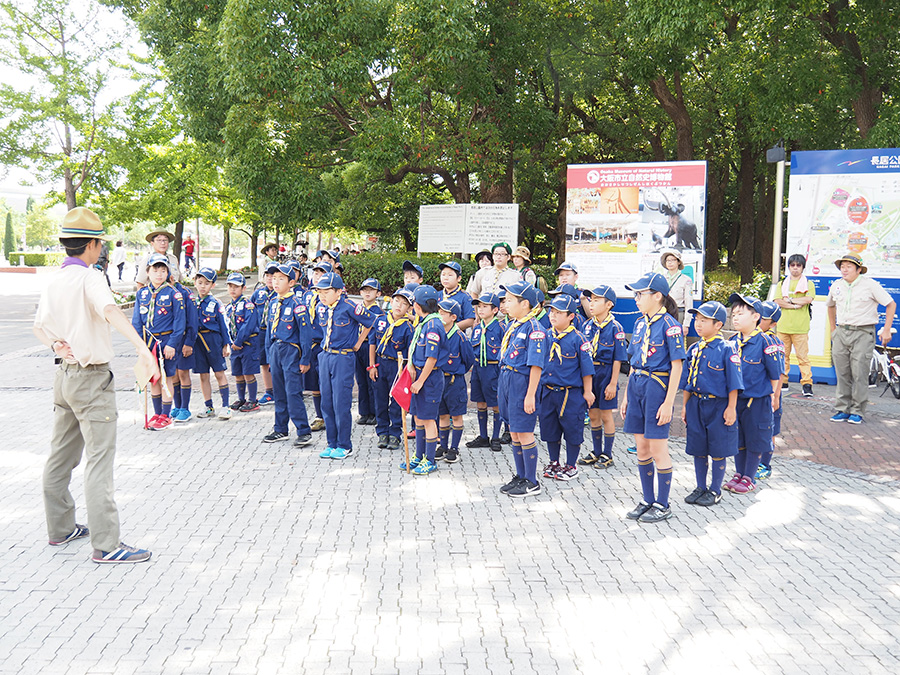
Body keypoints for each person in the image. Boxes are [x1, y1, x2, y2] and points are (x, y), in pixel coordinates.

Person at [33, 207, 157, 564]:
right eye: (98, 243)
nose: (99, 249)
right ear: (91, 245)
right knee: (99, 461)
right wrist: (140, 346)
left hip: (65, 377)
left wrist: (55, 344)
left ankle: (60, 528)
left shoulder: (54, 280)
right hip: (91, 379)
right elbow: (111, 311)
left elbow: (40, 327)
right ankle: (106, 544)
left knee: (60, 455)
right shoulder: (90, 278)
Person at [620, 272, 686, 523]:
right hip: (637, 385)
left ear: (657, 296)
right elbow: (633, 362)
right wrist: (626, 396)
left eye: (640, 294)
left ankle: (663, 503)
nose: (636, 298)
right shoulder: (639, 324)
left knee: (658, 447)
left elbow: (677, 366)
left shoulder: (670, 326)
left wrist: (669, 402)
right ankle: (647, 499)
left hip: (657, 386)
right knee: (642, 447)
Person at [680, 301, 742, 507]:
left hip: (718, 406)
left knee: (718, 449)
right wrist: (684, 406)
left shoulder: (727, 349)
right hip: (696, 405)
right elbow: (688, 382)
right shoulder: (695, 348)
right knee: (698, 448)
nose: (698, 324)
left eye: (703, 320)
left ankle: (715, 489)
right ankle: (700, 486)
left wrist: (731, 408)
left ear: (718, 325)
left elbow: (734, 382)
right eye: (697, 320)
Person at [722, 294, 782, 495]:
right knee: (737, 438)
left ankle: (749, 476)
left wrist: (774, 397)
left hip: (757, 401)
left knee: (755, 438)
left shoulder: (766, 342)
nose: (735, 318)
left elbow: (775, 374)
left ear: (756, 316)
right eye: (733, 314)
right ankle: (739, 473)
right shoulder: (731, 342)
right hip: (736, 400)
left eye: (740, 313)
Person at [826, 253, 896, 424]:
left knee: (859, 373)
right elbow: (830, 306)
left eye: (849, 266)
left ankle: (857, 410)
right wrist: (833, 329)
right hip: (842, 332)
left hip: (863, 333)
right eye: (842, 266)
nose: (844, 269)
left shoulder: (870, 285)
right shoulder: (837, 285)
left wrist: (886, 329)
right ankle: (842, 408)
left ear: (858, 269)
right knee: (842, 372)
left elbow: (890, 304)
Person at [315, 272, 376, 460]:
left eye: (326, 291)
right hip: (325, 356)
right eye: (319, 291)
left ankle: (344, 445)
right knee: (326, 402)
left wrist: (358, 343)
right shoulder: (321, 308)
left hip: (343, 358)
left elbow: (371, 321)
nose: (322, 295)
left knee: (340, 403)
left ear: (339, 291)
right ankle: (331, 443)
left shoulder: (350, 306)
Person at [497, 280, 548, 497]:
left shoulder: (535, 330)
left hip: (522, 383)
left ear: (525, 303)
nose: (505, 304)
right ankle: (520, 475)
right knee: (515, 432)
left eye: (509, 300)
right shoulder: (514, 325)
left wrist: (530, 395)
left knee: (525, 433)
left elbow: (536, 365)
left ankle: (532, 481)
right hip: (508, 379)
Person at [539, 295, 594, 482]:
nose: (553, 315)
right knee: (550, 429)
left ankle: (571, 465)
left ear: (571, 316)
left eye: (558, 312)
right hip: (548, 390)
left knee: (572, 429)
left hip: (570, 393)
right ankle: (554, 462)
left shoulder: (579, 339)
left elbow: (587, 369)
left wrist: (588, 391)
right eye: (551, 311)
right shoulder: (546, 335)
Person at [131, 254, 186, 430]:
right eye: (155, 270)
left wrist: (172, 344)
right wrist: (140, 346)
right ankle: (156, 413)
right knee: (153, 378)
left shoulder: (174, 294)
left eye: (163, 270)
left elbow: (180, 322)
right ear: (148, 271)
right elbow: (137, 321)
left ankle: (166, 414)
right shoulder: (142, 293)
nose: (159, 274)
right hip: (148, 342)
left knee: (166, 377)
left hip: (167, 341)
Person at [263, 264, 313, 446]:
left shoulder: (297, 305)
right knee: (279, 392)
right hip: (276, 350)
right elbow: (269, 330)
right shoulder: (274, 302)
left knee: (293, 392)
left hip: (291, 350)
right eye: (273, 278)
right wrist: (269, 356)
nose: (275, 282)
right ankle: (280, 429)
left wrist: (305, 358)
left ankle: (303, 430)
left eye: (281, 279)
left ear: (292, 282)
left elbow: (306, 335)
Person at [578, 285, 627, 468]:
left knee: (606, 415)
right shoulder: (587, 326)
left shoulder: (616, 328)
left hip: (607, 374)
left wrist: (613, 383)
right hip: (591, 375)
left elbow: (618, 359)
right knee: (593, 414)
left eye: (597, 300)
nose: (591, 304)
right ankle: (596, 451)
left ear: (609, 305)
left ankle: (608, 453)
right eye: (591, 300)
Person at [401, 285, 447, 475]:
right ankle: (419, 456)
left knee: (428, 420)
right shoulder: (424, 323)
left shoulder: (433, 325)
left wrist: (420, 381)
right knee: (418, 417)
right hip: (419, 374)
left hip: (429, 378)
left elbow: (432, 358)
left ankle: (430, 459)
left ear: (417, 306)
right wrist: (411, 365)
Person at [369, 288, 414, 450]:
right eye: (397, 301)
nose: (399, 306)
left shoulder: (408, 328)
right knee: (379, 399)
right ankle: (382, 431)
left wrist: (407, 372)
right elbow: (372, 343)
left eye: (404, 304)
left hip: (398, 366)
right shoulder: (380, 320)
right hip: (380, 364)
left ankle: (395, 433)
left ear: (409, 309)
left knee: (396, 401)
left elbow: (410, 352)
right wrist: (372, 365)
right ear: (391, 301)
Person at [436, 298, 475, 464]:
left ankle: (454, 448)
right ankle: (443, 446)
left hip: (454, 382)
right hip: (439, 380)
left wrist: (457, 373)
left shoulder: (460, 337)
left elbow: (468, 360)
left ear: (453, 317)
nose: (440, 315)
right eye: (439, 312)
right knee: (442, 415)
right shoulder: (437, 332)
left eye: (443, 313)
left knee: (456, 416)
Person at [192, 268, 233, 420]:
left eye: (207, 283)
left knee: (219, 373)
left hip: (213, 341)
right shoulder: (192, 303)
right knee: (203, 375)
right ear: (195, 283)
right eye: (200, 282)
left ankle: (225, 406)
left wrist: (226, 343)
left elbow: (224, 325)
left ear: (213, 285)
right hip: (198, 343)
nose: (203, 286)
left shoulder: (216, 303)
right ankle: (208, 405)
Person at [466, 293, 505, 452]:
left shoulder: (501, 328)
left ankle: (495, 436)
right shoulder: (477, 328)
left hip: (493, 369)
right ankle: (483, 436)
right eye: (479, 306)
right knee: (480, 402)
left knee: (495, 403)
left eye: (484, 307)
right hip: (478, 369)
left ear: (495, 310)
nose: (480, 310)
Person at [773, 254, 816, 396]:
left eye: (798, 265)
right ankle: (783, 381)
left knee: (802, 357)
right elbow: (778, 301)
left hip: (800, 327)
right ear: (789, 267)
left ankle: (807, 384)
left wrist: (789, 301)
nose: (795, 268)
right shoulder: (781, 284)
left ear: (803, 267)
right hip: (783, 326)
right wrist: (795, 304)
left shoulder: (808, 283)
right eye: (793, 265)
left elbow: (808, 299)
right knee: (782, 356)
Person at [757, 301, 786, 481]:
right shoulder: (749, 337)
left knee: (770, 430)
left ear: (773, 323)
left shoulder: (774, 342)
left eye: (764, 318)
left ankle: (765, 464)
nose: (759, 319)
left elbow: (780, 372)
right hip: (756, 394)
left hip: (770, 394)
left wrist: (775, 397)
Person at [225, 273, 262, 412]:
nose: (233, 289)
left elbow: (248, 325)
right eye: (230, 286)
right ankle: (241, 398)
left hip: (247, 345)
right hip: (235, 345)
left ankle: (253, 400)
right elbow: (226, 325)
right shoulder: (229, 307)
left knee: (248, 372)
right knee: (238, 373)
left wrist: (239, 341)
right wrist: (230, 342)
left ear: (244, 288)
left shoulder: (248, 305)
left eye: (236, 286)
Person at [304, 261, 331, 431]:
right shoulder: (307, 296)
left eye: (322, 274)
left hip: (325, 346)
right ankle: (319, 416)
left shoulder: (331, 299)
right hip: (310, 345)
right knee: (314, 384)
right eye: (315, 274)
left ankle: (329, 415)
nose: (318, 277)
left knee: (326, 383)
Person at [354, 278, 384, 425]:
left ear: (378, 293)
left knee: (372, 380)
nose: (367, 292)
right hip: (357, 348)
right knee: (360, 381)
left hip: (370, 347)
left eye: (371, 290)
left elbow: (374, 332)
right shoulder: (358, 309)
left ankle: (374, 412)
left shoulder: (378, 312)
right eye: (364, 290)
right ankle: (364, 412)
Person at [171, 271, 199, 422]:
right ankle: (177, 405)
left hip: (183, 340)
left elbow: (192, 320)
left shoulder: (185, 293)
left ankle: (185, 408)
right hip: (170, 342)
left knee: (183, 373)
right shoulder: (161, 291)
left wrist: (189, 342)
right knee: (173, 373)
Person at [252, 263, 278, 405]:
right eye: (267, 275)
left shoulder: (280, 294)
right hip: (261, 332)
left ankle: (280, 390)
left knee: (276, 361)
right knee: (264, 362)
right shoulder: (258, 293)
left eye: (273, 276)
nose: (270, 279)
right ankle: (269, 391)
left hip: (275, 333)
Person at [659, 249, 692, 328]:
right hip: (663, 313)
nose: (670, 262)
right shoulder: (661, 278)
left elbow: (689, 303)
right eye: (667, 260)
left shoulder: (686, 280)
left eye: (673, 260)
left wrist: (686, 324)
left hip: (678, 313)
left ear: (679, 262)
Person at [439, 261, 476, 331]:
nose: (446, 278)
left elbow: (470, 320)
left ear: (459, 278)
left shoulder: (465, 297)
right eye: (443, 274)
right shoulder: (437, 295)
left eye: (450, 275)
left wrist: (450, 329)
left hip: (455, 335)